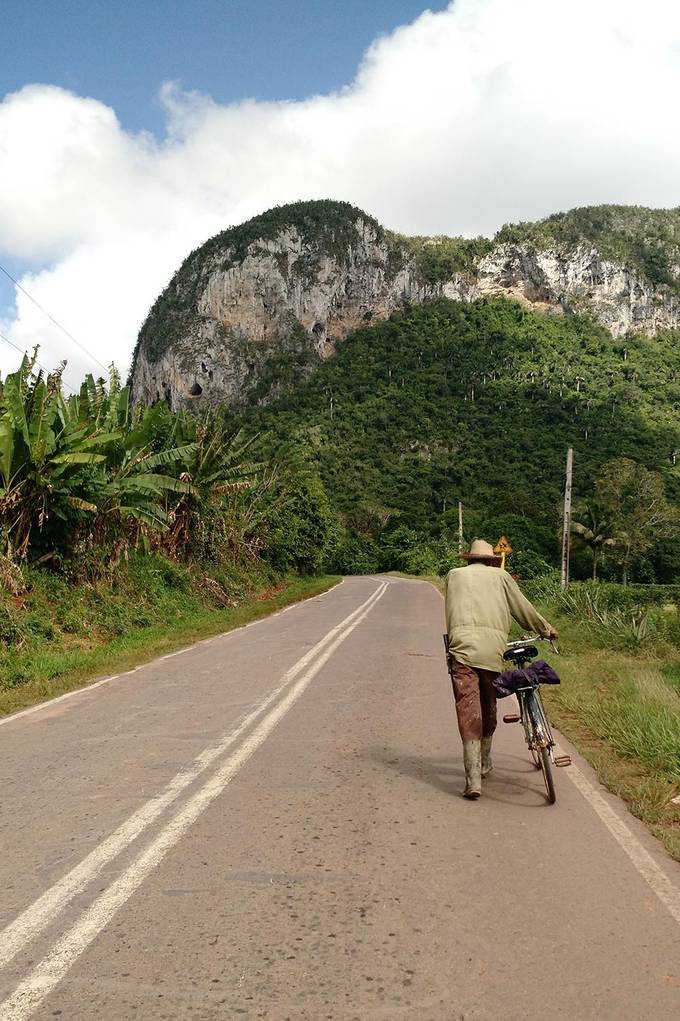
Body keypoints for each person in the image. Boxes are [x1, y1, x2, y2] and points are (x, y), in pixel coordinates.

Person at [444, 539, 558, 800]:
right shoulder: (501, 577)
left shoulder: (453, 576)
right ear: (491, 560)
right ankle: (485, 763)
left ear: (469, 559)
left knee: (467, 708)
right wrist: (545, 629)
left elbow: (451, 611)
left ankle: (473, 780)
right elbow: (522, 609)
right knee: (488, 704)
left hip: (460, 649)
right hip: (491, 651)